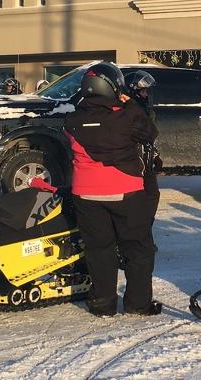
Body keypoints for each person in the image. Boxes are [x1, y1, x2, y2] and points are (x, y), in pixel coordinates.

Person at [64, 63, 159, 317]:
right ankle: (138, 304)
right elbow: (150, 132)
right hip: (125, 189)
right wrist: (129, 104)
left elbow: (88, 126)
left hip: (85, 193)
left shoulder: (72, 120)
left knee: (98, 249)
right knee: (137, 248)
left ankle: (102, 304)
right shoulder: (126, 115)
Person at [123, 70, 162, 220]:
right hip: (133, 164)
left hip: (145, 161)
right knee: (138, 199)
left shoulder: (141, 110)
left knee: (152, 195)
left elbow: (150, 136)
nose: (146, 95)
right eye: (143, 91)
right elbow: (145, 133)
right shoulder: (127, 110)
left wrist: (154, 155)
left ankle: (144, 229)